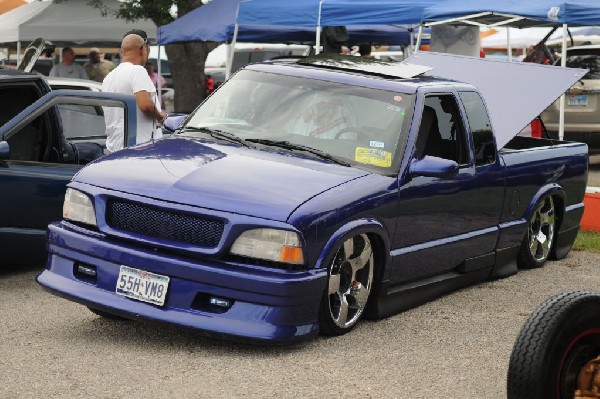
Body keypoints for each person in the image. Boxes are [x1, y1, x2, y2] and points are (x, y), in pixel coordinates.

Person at [102, 30, 167, 154]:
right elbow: (146, 106)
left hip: (115, 148)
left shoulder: (109, 77)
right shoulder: (137, 71)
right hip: (140, 148)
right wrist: (160, 116)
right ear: (143, 49)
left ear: (122, 52)